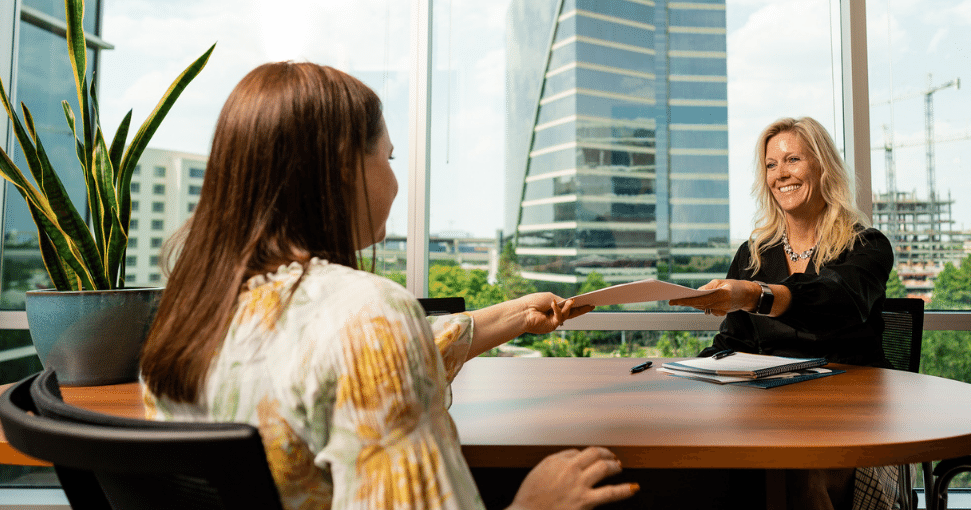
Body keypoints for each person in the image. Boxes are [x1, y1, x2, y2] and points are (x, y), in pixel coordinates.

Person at [139, 62, 637, 510]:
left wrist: (512, 317)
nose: (396, 183)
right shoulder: (367, 314)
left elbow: (332, 369)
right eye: (390, 159)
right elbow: (361, 352)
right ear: (341, 165)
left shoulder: (191, 314)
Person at [669, 117, 896, 510]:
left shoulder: (867, 246)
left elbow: (835, 298)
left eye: (793, 160)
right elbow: (733, 342)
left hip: (850, 416)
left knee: (798, 472)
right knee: (689, 465)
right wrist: (685, 378)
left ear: (824, 166)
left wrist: (757, 295)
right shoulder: (753, 255)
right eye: (771, 165)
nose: (781, 174)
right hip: (767, 413)